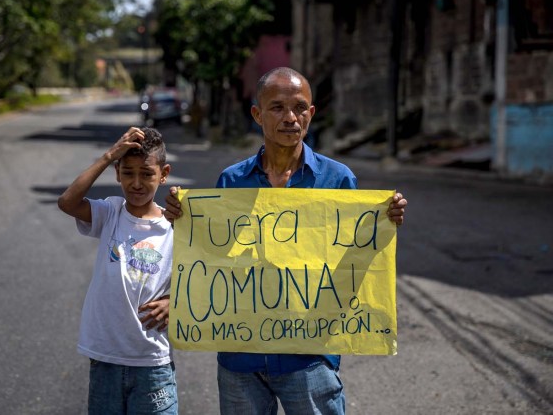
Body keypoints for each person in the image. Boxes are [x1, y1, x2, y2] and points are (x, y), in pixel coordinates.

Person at [163, 67, 407, 415]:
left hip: (308, 356)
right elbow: (212, 254)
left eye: (299, 107)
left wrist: (386, 220)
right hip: (240, 356)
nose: (290, 117)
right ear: (257, 114)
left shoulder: (338, 179)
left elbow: (358, 257)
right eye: (277, 107)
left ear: (311, 113)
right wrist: (181, 217)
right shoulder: (231, 181)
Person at [58, 127, 177, 414]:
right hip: (105, 359)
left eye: (146, 174)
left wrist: (176, 303)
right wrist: (109, 154)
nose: (136, 183)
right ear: (117, 173)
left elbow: (203, 276)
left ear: (163, 174)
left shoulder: (175, 225)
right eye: (128, 173)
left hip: (153, 362)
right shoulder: (110, 213)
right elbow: (67, 202)